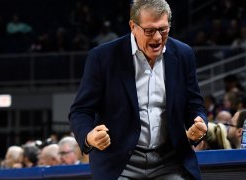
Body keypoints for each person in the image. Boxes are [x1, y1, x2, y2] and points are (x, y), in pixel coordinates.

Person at [68, 0, 208, 179]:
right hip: (120, 162)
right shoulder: (102, 58)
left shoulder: (183, 54)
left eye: (163, 29)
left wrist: (199, 123)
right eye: (150, 30)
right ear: (133, 26)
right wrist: (89, 137)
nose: (157, 37)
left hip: (170, 161)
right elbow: (80, 111)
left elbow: (194, 104)